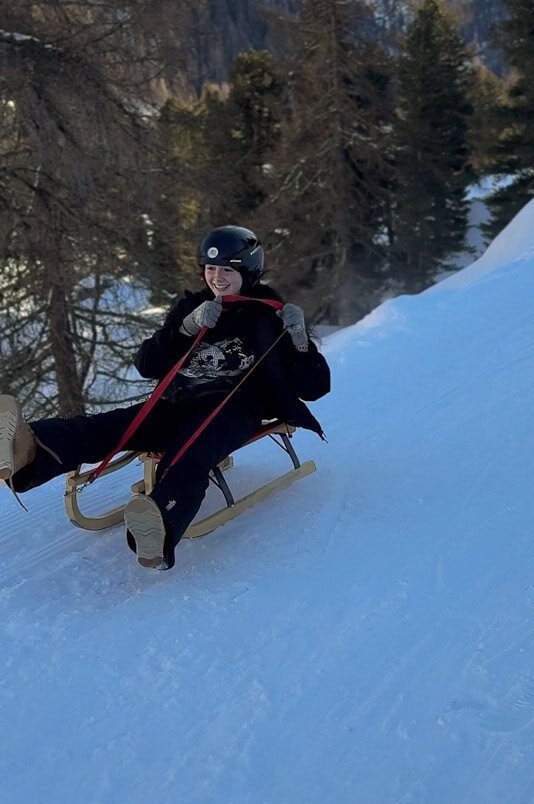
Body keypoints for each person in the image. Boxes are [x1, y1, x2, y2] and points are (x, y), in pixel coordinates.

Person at [0, 225, 330, 570]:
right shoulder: (193, 305)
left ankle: (161, 519)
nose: (217, 277)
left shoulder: (269, 313)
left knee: (191, 450)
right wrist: (184, 329)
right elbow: (147, 364)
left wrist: (299, 340)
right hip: (177, 400)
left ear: (247, 272)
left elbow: (315, 388)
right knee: (108, 427)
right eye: (211, 268)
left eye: (227, 270)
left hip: (234, 407)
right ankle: (26, 449)